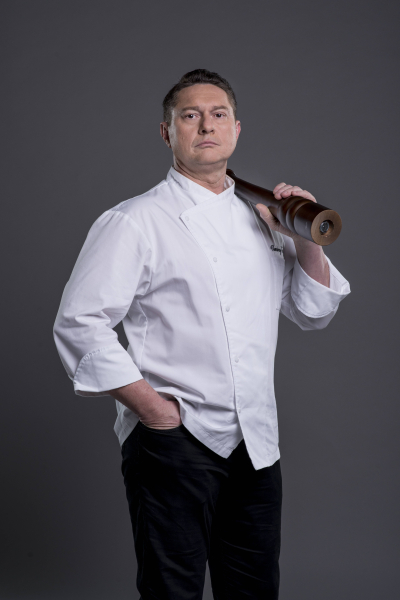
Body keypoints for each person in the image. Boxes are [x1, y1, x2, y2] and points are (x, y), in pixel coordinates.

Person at [53, 69, 350, 600]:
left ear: (237, 128)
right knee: (172, 591)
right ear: (167, 133)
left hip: (255, 444)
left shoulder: (264, 216)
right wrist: (153, 411)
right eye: (189, 115)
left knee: (254, 591)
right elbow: (79, 322)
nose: (206, 125)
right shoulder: (135, 220)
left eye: (218, 114)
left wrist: (305, 235)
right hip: (174, 442)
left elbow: (313, 312)